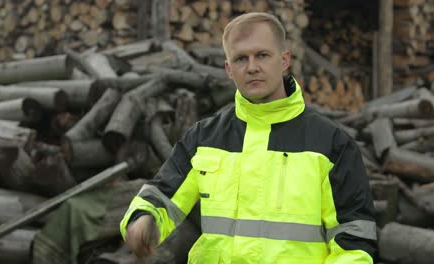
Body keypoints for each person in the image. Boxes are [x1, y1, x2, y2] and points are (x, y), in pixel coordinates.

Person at [120, 12, 377, 263]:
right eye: (241, 59)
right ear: (229, 69)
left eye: (262, 55)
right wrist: (144, 219)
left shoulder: (331, 144)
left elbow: (354, 240)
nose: (252, 67)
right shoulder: (204, 139)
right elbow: (163, 193)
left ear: (285, 60)